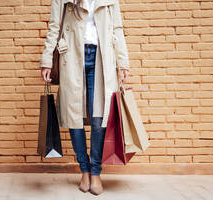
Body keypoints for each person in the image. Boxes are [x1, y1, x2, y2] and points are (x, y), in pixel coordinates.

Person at [40, 0, 130, 196]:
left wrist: (123, 62)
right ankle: (85, 170)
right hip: (71, 56)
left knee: (99, 117)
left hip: (102, 57)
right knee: (75, 117)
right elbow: (54, 27)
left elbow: (117, 29)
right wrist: (47, 60)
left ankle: (96, 171)